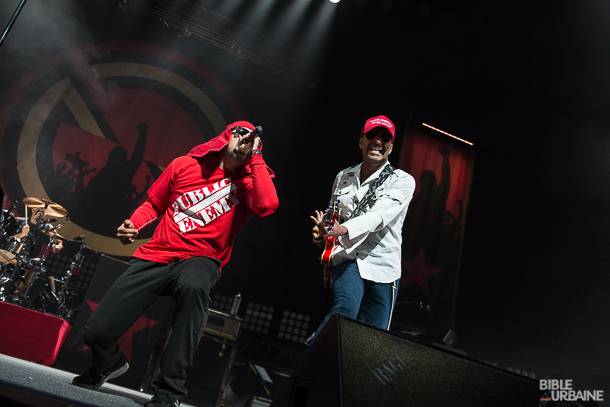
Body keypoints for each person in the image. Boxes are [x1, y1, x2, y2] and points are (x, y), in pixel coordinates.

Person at [72, 121, 279, 407]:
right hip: (158, 254)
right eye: (242, 135)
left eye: (253, 141)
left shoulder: (247, 183)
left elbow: (268, 205)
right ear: (226, 137)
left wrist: (256, 158)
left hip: (201, 259)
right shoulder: (185, 165)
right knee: (96, 331)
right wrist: (134, 223)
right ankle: (108, 363)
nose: (246, 143)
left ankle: (169, 392)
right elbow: (154, 203)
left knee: (195, 288)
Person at [308, 114, 415, 344]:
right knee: (345, 309)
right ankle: (314, 356)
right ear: (361, 141)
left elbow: (379, 216)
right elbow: (332, 217)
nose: (378, 140)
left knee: (372, 339)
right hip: (349, 258)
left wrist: (342, 229)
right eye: (372, 135)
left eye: (385, 137)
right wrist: (323, 234)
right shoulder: (343, 177)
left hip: (383, 266)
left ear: (391, 147)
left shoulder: (402, 180)